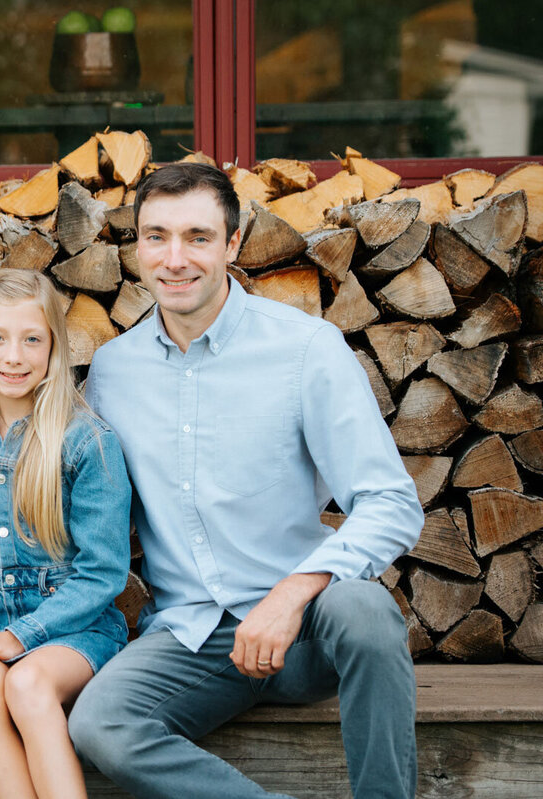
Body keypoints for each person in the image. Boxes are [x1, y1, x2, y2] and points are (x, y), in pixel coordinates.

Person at [69, 162, 425, 799]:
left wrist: (289, 598)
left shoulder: (306, 349)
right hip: (195, 635)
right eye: (156, 237)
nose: (174, 259)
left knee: (367, 610)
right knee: (101, 725)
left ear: (234, 244)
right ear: (137, 246)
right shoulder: (112, 373)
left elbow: (392, 503)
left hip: (309, 624)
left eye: (198, 237)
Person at [0, 268, 132, 799]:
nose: (14, 357)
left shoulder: (86, 442)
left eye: (32, 339)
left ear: (54, 344)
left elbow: (102, 574)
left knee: (27, 684)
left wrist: (18, 638)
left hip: (77, 629)